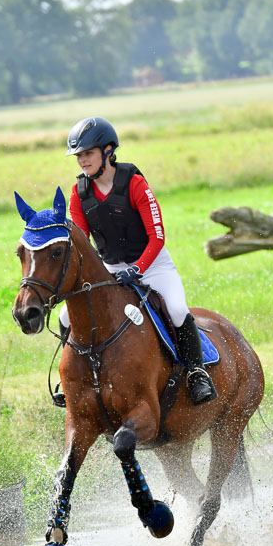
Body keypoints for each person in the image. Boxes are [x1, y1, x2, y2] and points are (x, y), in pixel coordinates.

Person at [60, 116, 217, 406]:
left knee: (178, 309)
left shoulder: (134, 184)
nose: (82, 161)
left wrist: (137, 269)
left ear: (108, 151)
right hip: (110, 268)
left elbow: (157, 237)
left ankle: (196, 372)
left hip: (153, 264)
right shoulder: (78, 193)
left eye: (88, 153)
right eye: (79, 156)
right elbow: (82, 242)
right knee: (66, 317)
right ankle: (75, 377)